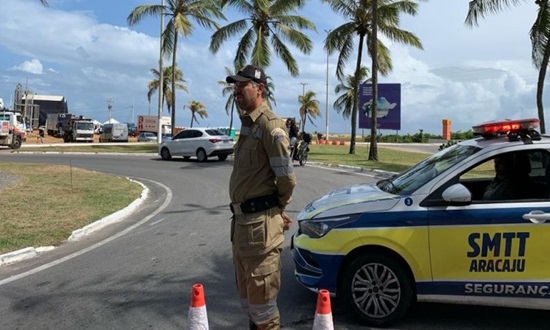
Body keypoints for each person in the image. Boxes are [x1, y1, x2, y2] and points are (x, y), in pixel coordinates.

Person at [226, 64, 297, 330]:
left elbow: (286, 178)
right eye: (234, 87)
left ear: (259, 89)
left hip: (260, 232)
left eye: (242, 86)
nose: (236, 92)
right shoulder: (247, 126)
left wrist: (277, 208)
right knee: (251, 308)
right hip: (242, 228)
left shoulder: (271, 127)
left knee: (264, 314)